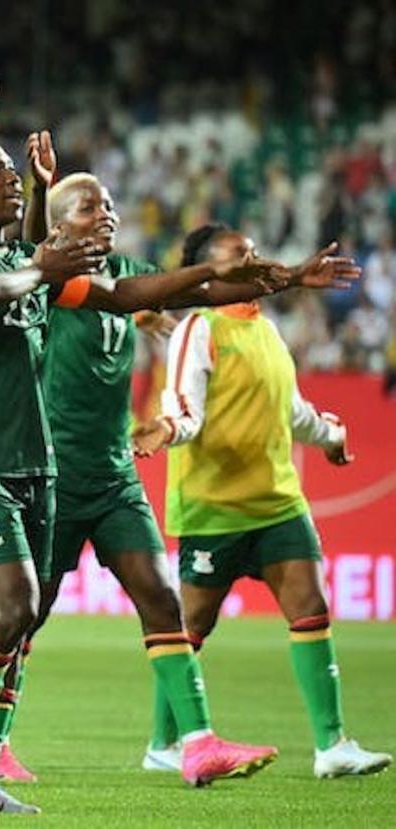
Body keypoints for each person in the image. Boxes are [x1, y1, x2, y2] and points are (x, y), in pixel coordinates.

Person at [0, 136, 286, 811]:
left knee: (31, 615)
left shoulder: (28, 259)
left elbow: (129, 290)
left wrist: (254, 281)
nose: (13, 177)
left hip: (38, 467)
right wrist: (40, 269)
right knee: (17, 607)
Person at [19, 173, 363, 779]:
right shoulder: (45, 276)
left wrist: (285, 279)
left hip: (115, 474)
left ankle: (195, 743)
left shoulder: (131, 268)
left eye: (110, 202)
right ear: (55, 225)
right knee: (23, 616)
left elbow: (184, 294)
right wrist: (38, 186)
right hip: (56, 474)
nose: (107, 211)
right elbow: (146, 295)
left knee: (162, 602)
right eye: (88, 205)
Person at [133, 222, 392, 780]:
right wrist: (167, 429)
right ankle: (163, 742)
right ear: (210, 272)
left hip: (277, 502)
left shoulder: (268, 331)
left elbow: (290, 409)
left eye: (254, 253)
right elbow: (186, 410)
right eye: (238, 257)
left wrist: (331, 436)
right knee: (190, 628)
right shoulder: (197, 330)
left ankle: (331, 746)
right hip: (213, 507)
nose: (253, 263)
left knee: (311, 609)